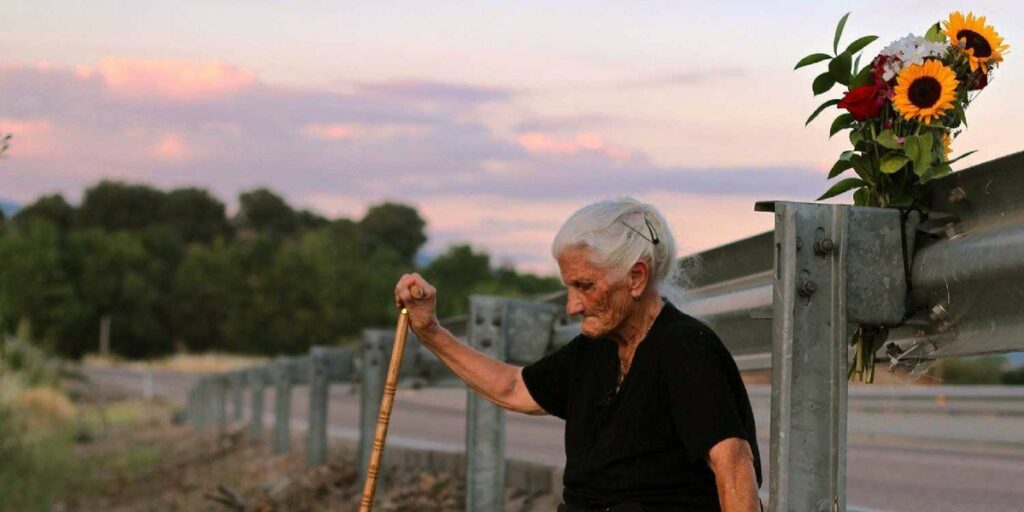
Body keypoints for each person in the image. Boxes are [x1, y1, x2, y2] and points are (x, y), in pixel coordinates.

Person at [394, 197, 762, 511]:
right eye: (569, 286)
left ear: (635, 278)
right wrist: (430, 332)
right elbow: (512, 388)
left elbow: (733, 465)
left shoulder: (685, 348)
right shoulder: (595, 348)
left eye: (585, 286)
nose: (572, 305)